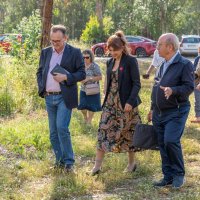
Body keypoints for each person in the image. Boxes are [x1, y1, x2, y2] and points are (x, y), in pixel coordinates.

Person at [91, 30, 142, 175]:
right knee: (103, 131)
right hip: (110, 103)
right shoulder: (109, 62)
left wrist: (130, 102)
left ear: (122, 47)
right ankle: (97, 167)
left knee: (128, 134)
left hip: (126, 104)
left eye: (116, 50)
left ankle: (132, 164)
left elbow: (137, 84)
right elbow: (108, 81)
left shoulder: (131, 61)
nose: (113, 53)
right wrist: (104, 97)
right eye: (111, 50)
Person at [36, 25, 85, 171]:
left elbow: (82, 73)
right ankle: (60, 161)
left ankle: (69, 162)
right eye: (52, 41)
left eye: (58, 41)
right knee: (53, 132)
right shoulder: (45, 52)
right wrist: (42, 88)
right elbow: (40, 71)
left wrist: (67, 77)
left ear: (65, 38)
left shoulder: (74, 52)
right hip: (49, 97)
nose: (55, 43)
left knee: (62, 128)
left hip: (65, 97)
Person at [148, 33, 194, 188]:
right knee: (162, 143)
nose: (157, 47)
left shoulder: (185, 64)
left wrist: (173, 90)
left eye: (159, 44)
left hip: (177, 110)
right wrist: (152, 108)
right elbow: (156, 87)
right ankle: (167, 176)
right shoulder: (162, 63)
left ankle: (179, 174)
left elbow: (189, 87)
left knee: (170, 141)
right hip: (159, 112)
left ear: (170, 47)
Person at [78, 49, 102, 124]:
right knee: (82, 106)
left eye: (87, 57)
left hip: (92, 89)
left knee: (92, 106)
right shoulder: (81, 66)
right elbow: (78, 75)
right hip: (83, 89)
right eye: (83, 57)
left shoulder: (94, 66)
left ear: (91, 57)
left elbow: (100, 77)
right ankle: (85, 117)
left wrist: (89, 78)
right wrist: (80, 79)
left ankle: (89, 121)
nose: (85, 59)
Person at [191, 47, 200, 123]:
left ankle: (198, 117)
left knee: (198, 99)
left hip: (198, 82)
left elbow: (197, 71)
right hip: (196, 80)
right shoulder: (198, 58)